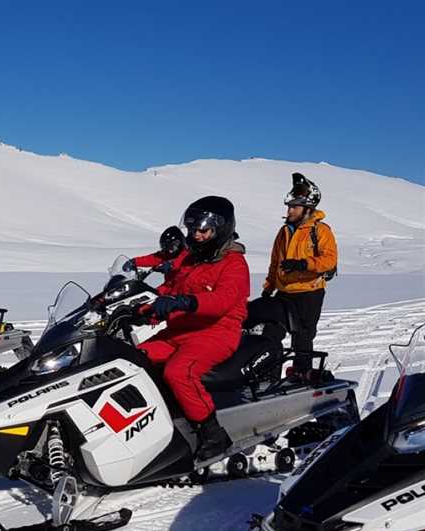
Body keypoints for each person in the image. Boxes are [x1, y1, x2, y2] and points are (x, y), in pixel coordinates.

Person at [136, 196, 250, 461]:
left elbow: (221, 301)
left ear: (219, 230)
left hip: (215, 333)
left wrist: (184, 301)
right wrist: (142, 307)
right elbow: (170, 288)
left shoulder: (234, 264)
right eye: (193, 230)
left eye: (203, 230)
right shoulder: (191, 260)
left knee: (179, 372)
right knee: (134, 359)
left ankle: (213, 433)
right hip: (179, 330)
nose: (196, 236)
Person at [262, 173, 338, 381]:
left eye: (294, 207)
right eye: (289, 207)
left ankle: (301, 374)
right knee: (271, 332)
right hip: (284, 292)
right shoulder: (284, 231)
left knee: (302, 337)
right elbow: (275, 262)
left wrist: (303, 264)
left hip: (309, 292)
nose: (289, 211)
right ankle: (268, 375)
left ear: (307, 208)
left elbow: (329, 260)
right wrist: (268, 288)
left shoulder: (320, 231)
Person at [122, 226, 187, 278]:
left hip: (183, 290)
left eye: (171, 247)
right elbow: (154, 258)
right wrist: (134, 261)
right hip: (169, 286)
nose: (169, 250)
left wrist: (171, 265)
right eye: (166, 247)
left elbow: (185, 266)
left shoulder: (188, 255)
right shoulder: (168, 254)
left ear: (179, 243)